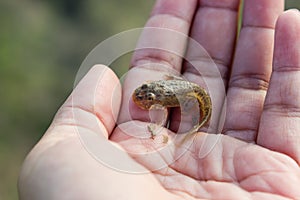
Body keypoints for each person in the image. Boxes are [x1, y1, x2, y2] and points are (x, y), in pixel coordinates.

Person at [18, 0, 300, 199]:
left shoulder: (167, 97)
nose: (143, 98)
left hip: (183, 91)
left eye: (147, 97)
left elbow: (165, 97)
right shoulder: (152, 94)